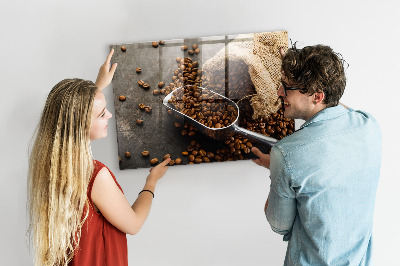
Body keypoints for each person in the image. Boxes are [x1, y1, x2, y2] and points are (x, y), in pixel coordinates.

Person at [27, 49, 171, 266]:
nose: (110, 115)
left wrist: (97, 86)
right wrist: (152, 181)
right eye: (102, 113)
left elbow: (73, 113)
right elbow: (134, 224)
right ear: (81, 124)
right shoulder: (95, 176)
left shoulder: (49, 164)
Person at [251, 44, 382, 265]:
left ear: (317, 96)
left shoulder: (286, 153)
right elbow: (335, 107)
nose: (279, 92)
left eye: (287, 87)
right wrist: (298, 71)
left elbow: (279, 225)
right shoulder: (369, 125)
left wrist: (277, 169)